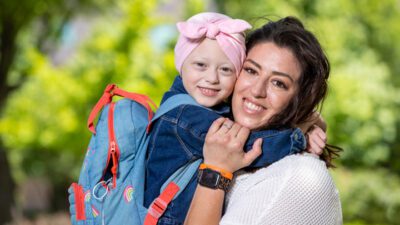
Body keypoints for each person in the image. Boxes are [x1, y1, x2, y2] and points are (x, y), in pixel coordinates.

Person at [144, 13, 327, 225]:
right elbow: (252, 146)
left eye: (278, 83)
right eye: (250, 70)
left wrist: (311, 121)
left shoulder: (298, 176)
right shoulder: (186, 115)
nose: (257, 90)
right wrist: (300, 131)